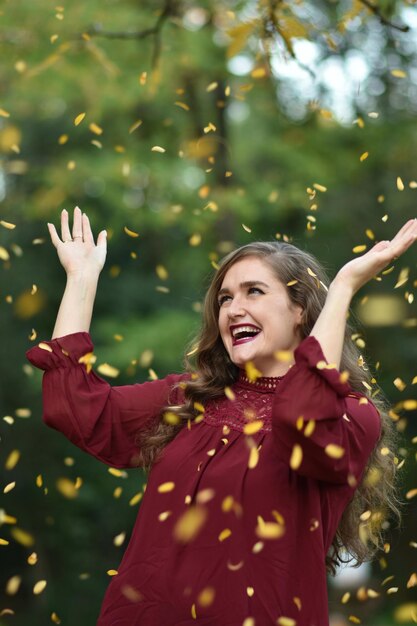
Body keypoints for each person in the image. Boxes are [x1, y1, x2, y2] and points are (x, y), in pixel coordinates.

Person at [26, 207, 416, 626]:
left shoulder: (350, 419)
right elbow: (75, 407)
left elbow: (301, 412)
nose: (232, 309)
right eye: (225, 297)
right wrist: (82, 279)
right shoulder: (189, 397)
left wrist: (342, 287)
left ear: (300, 310)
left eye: (254, 292)